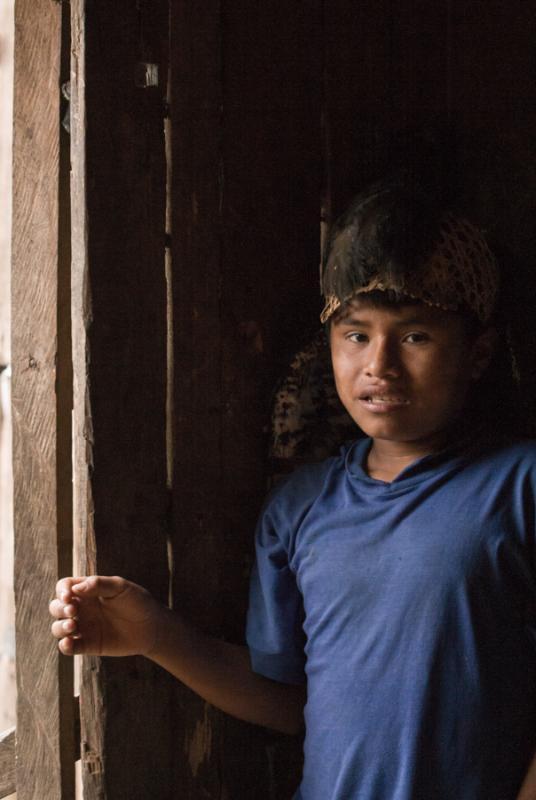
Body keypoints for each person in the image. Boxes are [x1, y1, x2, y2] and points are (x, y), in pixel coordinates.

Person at [50, 179, 536, 799]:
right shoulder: (301, 507)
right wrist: (158, 636)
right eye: (356, 335)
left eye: (415, 336)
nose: (379, 365)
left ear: (479, 352)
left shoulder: (519, 487)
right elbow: (295, 704)